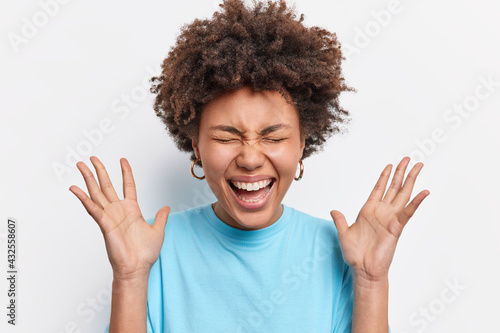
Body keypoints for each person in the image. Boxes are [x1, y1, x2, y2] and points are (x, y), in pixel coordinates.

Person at [69, 0, 430, 332]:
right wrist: (130, 278)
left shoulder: (341, 252)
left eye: (273, 137)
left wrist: (370, 280)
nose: (251, 158)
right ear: (196, 146)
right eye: (226, 138)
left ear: (302, 144)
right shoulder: (151, 248)